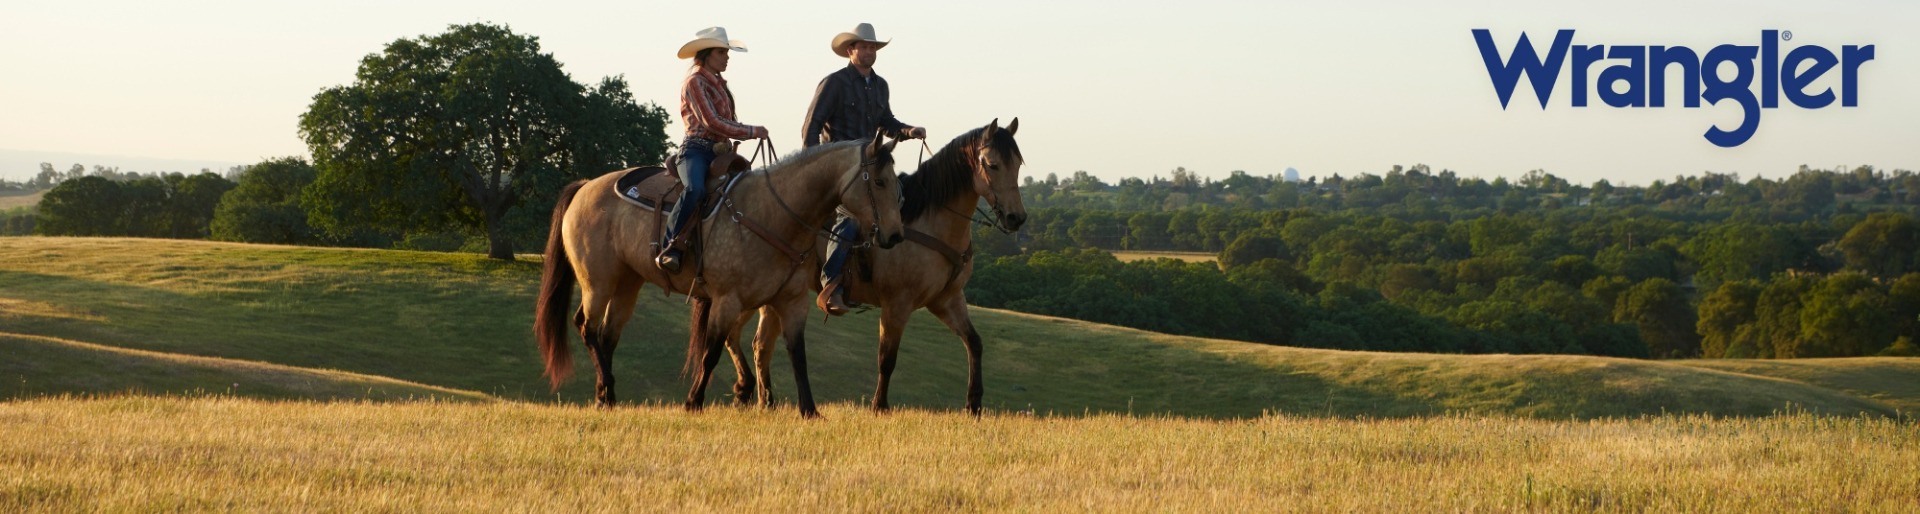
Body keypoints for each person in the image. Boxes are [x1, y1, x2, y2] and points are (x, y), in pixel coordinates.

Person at [802, 22, 926, 314]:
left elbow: (888, 123)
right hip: (840, 168)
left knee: (898, 199)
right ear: (850, 50)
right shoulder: (834, 83)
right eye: (864, 47)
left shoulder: (880, 85)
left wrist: (909, 131)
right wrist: (814, 163)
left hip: (870, 164)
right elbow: (812, 125)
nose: (869, 51)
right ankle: (831, 285)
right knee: (850, 216)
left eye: (873, 47)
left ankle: (890, 274)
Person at [659, 26, 769, 273]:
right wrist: (752, 131)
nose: (727, 57)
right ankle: (671, 246)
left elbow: (727, 122)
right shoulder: (695, 82)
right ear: (707, 53)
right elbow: (712, 122)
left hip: (721, 153)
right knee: (695, 188)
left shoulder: (719, 84)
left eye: (726, 52)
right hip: (696, 150)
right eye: (721, 52)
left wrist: (744, 131)